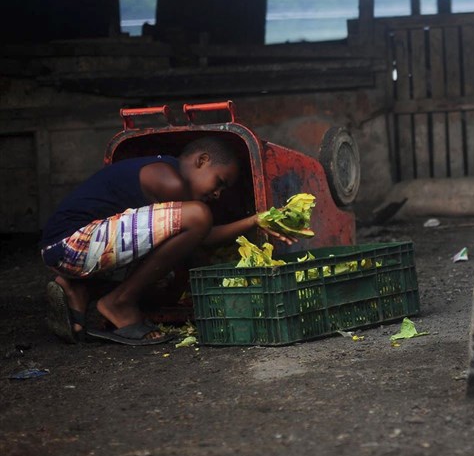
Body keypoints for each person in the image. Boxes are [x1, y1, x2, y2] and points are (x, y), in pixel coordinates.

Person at [39, 135, 294, 345]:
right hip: (73, 245)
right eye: (219, 182)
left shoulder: (165, 170)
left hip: (66, 248)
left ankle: (79, 289)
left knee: (180, 249)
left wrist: (253, 222)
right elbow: (202, 233)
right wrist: (252, 221)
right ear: (202, 161)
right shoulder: (170, 182)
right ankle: (119, 303)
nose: (217, 194)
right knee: (198, 216)